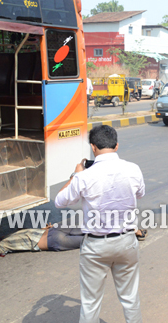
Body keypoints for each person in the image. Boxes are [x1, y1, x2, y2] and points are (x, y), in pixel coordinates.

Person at [55, 125, 145, 323]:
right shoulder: (133, 169)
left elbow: (59, 201)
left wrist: (75, 175)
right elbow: (140, 193)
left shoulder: (84, 176)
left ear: (93, 147)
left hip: (96, 246)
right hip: (127, 241)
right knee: (130, 298)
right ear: (116, 145)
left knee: (90, 303)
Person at [0, 224, 85, 261]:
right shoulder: (4, 244)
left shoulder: (5, 242)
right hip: (54, 233)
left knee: (95, 237)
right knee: (96, 232)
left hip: (53, 237)